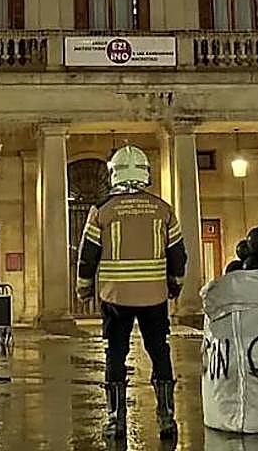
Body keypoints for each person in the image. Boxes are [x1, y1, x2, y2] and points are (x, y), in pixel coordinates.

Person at [76, 145, 188, 440]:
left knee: (115, 354)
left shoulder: (101, 210)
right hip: (154, 297)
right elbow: (179, 256)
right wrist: (174, 285)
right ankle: (166, 418)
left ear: (114, 174)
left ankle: (116, 420)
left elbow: (88, 256)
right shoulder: (163, 209)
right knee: (159, 352)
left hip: (115, 298)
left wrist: (83, 289)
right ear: (145, 172)